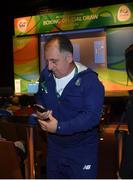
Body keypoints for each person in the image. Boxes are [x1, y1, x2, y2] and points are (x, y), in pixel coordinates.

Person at [35, 34, 105, 179]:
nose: (49, 67)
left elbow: (92, 117)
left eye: (54, 61)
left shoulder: (90, 81)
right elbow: (40, 97)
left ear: (69, 58)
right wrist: (41, 110)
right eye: (47, 61)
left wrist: (59, 127)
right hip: (54, 148)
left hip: (82, 150)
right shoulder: (45, 76)